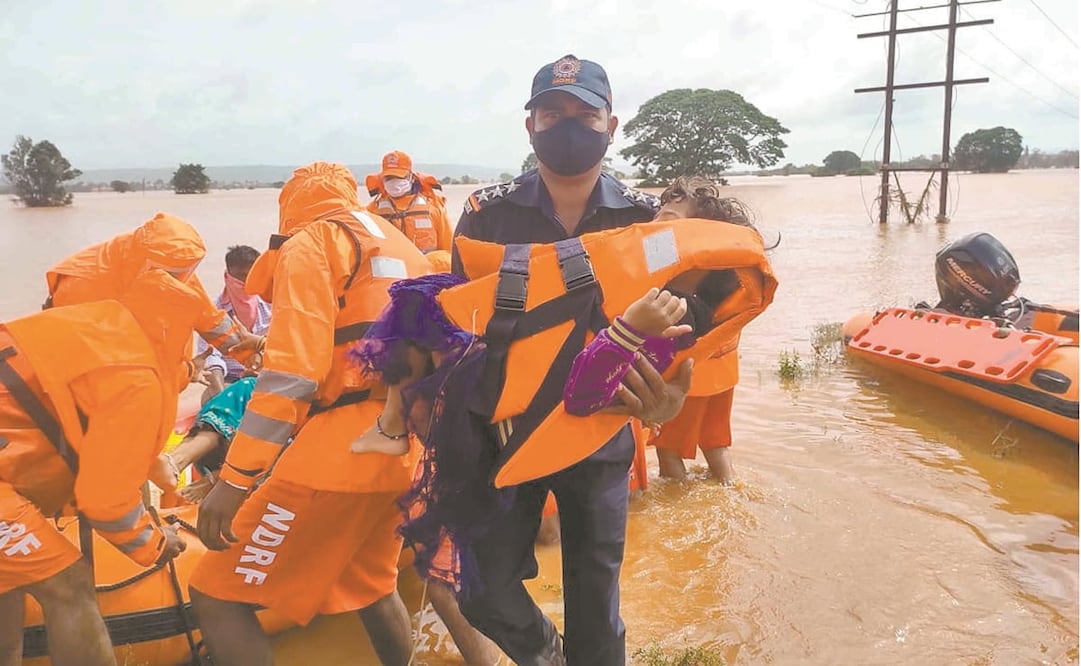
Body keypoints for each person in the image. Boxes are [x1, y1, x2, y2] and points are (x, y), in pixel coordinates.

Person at [446, 54, 695, 665]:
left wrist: (670, 400)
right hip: (503, 431)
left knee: (596, 600)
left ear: (611, 127)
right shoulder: (487, 214)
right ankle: (548, 657)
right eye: (552, 113)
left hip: (600, 431)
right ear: (529, 125)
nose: (568, 125)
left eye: (585, 114)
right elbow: (456, 328)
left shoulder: (646, 219)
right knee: (483, 590)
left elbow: (684, 334)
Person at [189, 161, 432, 666]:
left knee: (216, 595)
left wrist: (234, 481)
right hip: (405, 445)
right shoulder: (400, 244)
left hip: (340, 452)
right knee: (370, 587)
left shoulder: (311, 243)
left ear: (289, 210)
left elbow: (292, 378)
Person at [0, 290, 194, 665]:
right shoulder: (141, 379)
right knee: (67, 585)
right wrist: (154, 543)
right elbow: (105, 503)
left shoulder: (101, 330)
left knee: (9, 584)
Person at [573, 177, 770, 485]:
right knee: (715, 443)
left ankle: (679, 500)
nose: (651, 229)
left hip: (666, 390)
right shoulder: (703, 306)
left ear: (703, 245)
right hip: (718, 376)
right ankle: (727, 489)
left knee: (668, 451)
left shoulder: (670, 309)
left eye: (665, 221)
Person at [44, 213, 261, 393]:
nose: (178, 280)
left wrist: (252, 355)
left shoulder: (176, 267)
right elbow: (107, 366)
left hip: (157, 384)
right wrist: (184, 373)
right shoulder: (83, 287)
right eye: (173, 274)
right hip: (92, 388)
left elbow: (210, 320)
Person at [195, 245, 272, 402]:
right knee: (210, 401)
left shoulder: (272, 306)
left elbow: (284, 346)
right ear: (226, 276)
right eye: (240, 277)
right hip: (228, 379)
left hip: (265, 376)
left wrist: (258, 366)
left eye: (251, 277)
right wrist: (220, 395)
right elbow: (211, 358)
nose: (245, 284)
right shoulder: (212, 312)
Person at [366, 150, 454, 256]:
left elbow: (449, 249)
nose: (394, 182)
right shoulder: (372, 211)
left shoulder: (433, 207)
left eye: (399, 177)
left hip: (427, 271)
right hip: (390, 271)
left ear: (411, 177)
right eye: (389, 178)